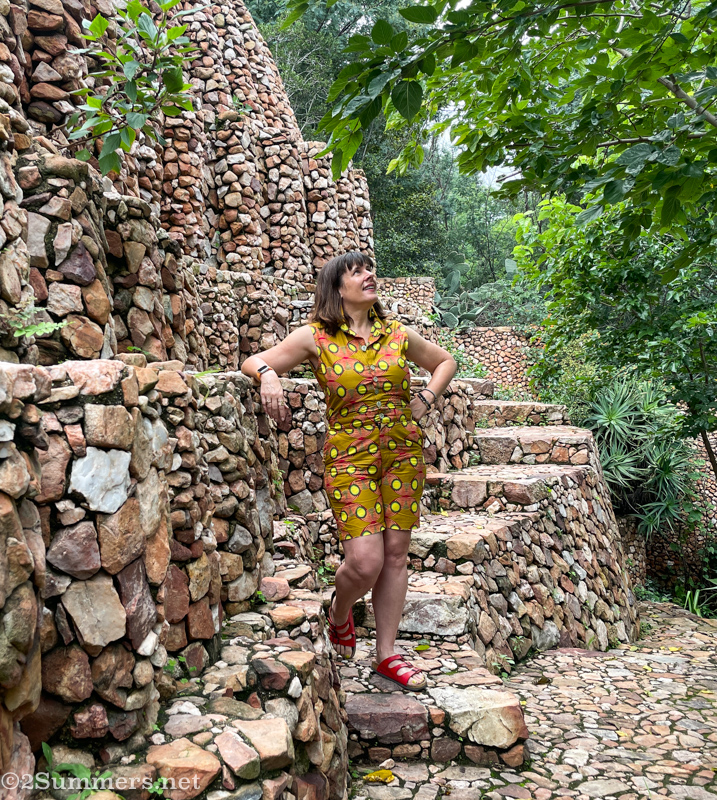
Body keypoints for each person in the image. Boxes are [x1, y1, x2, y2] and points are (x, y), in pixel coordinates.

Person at [241, 251, 456, 691]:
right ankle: (341, 612)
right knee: (365, 560)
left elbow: (445, 362)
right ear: (337, 288)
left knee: (395, 554)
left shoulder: (396, 334)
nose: (368, 275)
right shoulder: (315, 338)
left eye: (370, 269)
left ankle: (388, 655)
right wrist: (268, 376)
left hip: (402, 453)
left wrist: (428, 398)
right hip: (349, 457)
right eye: (357, 272)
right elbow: (254, 361)